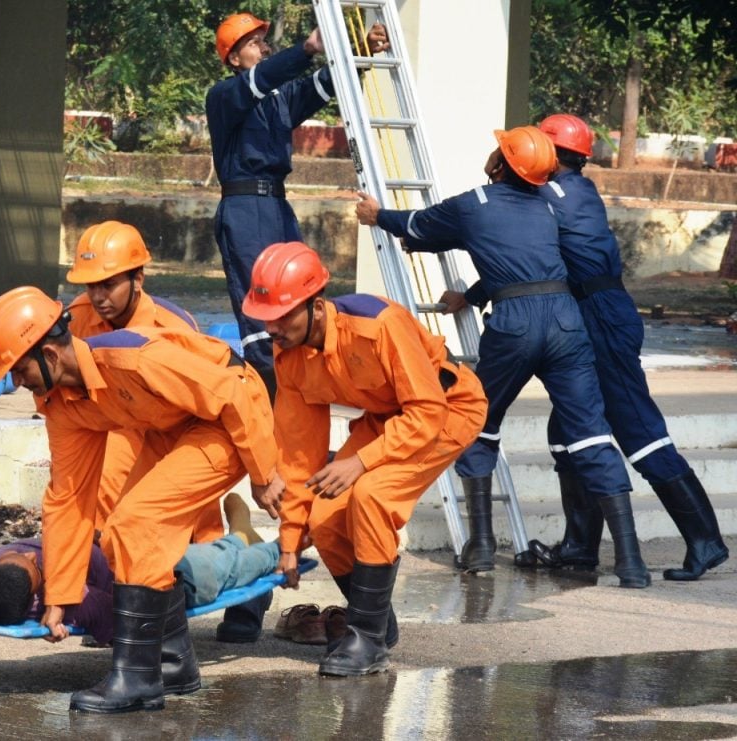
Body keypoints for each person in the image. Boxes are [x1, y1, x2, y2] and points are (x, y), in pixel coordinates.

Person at [355, 126, 651, 589]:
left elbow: (417, 227)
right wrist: (471, 295)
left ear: (502, 162)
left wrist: (378, 215)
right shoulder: (552, 203)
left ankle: (482, 548)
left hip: (514, 323)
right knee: (591, 435)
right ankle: (631, 562)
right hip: (565, 321)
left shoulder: (476, 203)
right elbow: (532, 262)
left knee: (477, 420)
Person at [0, 286, 280, 713]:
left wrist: (264, 473)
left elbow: (231, 395)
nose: (15, 381)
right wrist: (59, 598)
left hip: (231, 413)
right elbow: (68, 498)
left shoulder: (135, 358)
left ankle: (137, 679)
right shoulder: (60, 403)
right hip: (170, 427)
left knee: (136, 524)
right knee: (116, 539)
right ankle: (172, 662)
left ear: (49, 356)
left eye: (17, 368)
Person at [242, 241, 488, 677]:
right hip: (386, 420)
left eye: (280, 316)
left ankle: (367, 642)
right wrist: (290, 538)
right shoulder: (289, 353)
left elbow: (427, 411)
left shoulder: (379, 325)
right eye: (264, 318)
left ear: (316, 307)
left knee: (372, 495)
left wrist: (359, 462)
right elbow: (299, 454)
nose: (272, 329)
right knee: (325, 516)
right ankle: (375, 625)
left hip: (446, 408)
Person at [522, 114, 725, 580]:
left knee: (638, 431)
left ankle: (706, 541)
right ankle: (578, 548)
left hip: (601, 316)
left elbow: (512, 239)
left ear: (552, 154)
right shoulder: (571, 191)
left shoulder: (557, 195)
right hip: (597, 312)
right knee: (570, 431)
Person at [64, 219, 270, 642]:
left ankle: (247, 587)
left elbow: (221, 396)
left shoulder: (172, 327)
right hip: (134, 420)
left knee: (188, 520)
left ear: (138, 278)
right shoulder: (78, 319)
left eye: (108, 284)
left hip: (192, 421)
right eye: (91, 286)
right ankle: (127, 609)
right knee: (113, 514)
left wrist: (263, 475)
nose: (98, 296)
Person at [206, 12, 389, 400]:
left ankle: (302, 390)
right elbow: (266, 76)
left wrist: (360, 52)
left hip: (277, 206)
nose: (264, 47)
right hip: (244, 210)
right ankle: (270, 401)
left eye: (264, 40)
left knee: (299, 295)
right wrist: (307, 48)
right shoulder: (224, 96)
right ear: (234, 59)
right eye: (254, 43)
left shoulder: (279, 100)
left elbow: (324, 83)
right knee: (261, 307)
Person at [0, 494, 279, 645]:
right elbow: (119, 624)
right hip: (163, 576)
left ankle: (244, 533)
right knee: (231, 565)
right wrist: (72, 620)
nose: (28, 554)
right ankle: (270, 543)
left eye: (14, 554)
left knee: (222, 555)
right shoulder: (73, 602)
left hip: (137, 549)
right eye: (34, 567)